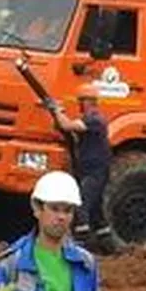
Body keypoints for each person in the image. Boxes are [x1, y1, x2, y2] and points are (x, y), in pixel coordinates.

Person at [48, 85, 112, 248]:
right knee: (96, 208)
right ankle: (106, 243)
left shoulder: (95, 120)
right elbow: (63, 127)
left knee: (81, 203)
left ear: (88, 102)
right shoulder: (90, 120)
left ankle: (82, 241)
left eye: (81, 101)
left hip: (96, 170)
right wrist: (56, 115)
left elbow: (67, 126)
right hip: (89, 169)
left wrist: (56, 110)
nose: (79, 104)